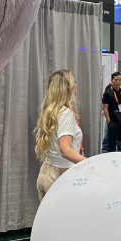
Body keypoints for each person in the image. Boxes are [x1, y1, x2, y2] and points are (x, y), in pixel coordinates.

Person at [34, 69, 86, 201]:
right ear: (68, 87)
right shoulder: (65, 113)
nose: (76, 85)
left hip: (46, 173)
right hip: (60, 176)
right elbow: (65, 151)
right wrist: (91, 163)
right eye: (74, 81)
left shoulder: (51, 110)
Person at [102, 71, 121, 152]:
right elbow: (105, 108)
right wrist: (109, 121)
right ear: (112, 80)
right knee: (112, 144)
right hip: (113, 121)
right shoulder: (108, 93)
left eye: (119, 80)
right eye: (116, 80)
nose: (118, 82)